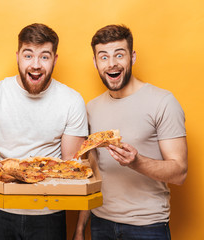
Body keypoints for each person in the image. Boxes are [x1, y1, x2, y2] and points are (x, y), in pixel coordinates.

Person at [0, 23, 88, 240]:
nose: (35, 65)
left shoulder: (72, 101)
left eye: (44, 56)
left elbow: (70, 169)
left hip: (49, 213)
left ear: (55, 59)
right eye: (28, 55)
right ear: (17, 57)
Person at [73, 24, 188, 240]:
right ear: (95, 62)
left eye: (119, 54)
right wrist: (80, 228)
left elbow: (180, 172)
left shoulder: (163, 102)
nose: (112, 63)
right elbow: (93, 172)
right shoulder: (91, 109)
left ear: (132, 57)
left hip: (147, 226)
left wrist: (137, 162)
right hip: (100, 224)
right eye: (104, 57)